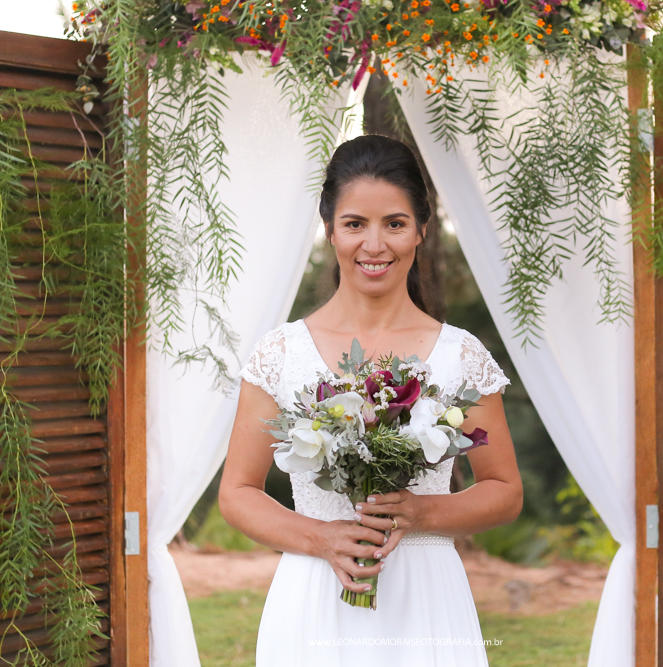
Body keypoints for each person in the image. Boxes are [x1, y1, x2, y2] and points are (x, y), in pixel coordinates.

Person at [218, 134, 523, 666]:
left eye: (395, 224)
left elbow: (504, 490)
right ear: (331, 230)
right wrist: (322, 539)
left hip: (425, 598)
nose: (375, 245)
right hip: (314, 594)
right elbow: (237, 493)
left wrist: (421, 513)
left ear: (421, 231)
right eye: (355, 223)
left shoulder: (460, 357)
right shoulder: (281, 353)